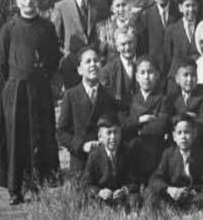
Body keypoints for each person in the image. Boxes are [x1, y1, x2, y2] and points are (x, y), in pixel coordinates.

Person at [0, 0, 61, 205]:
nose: (28, 1)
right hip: (15, 94)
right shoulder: (8, 29)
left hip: (40, 91)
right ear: (17, 1)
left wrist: (41, 79)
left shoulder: (47, 27)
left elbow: (54, 59)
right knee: (16, 140)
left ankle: (39, 186)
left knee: (40, 138)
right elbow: (1, 64)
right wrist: (15, 84)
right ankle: (15, 189)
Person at [57, 46, 118, 175]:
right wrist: (81, 146)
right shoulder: (71, 95)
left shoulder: (108, 95)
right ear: (80, 70)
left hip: (103, 163)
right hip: (80, 163)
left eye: (96, 61)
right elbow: (61, 132)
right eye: (88, 61)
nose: (93, 65)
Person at [52, 0, 102, 88]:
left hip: (94, 68)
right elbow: (53, 40)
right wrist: (65, 59)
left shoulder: (98, 5)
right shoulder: (61, 7)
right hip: (71, 68)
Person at [144, 114, 203, 211]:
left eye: (187, 132)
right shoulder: (168, 153)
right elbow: (156, 177)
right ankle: (169, 209)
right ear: (174, 136)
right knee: (151, 191)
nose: (183, 137)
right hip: (173, 193)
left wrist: (191, 191)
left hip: (192, 194)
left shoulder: (200, 154)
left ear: (194, 134)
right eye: (179, 133)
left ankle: (191, 209)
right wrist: (169, 189)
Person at [123, 56, 169, 184]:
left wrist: (137, 131)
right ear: (137, 77)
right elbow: (124, 124)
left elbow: (161, 125)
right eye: (142, 73)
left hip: (154, 148)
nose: (146, 77)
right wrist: (140, 120)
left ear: (157, 75)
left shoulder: (163, 99)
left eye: (150, 72)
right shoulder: (131, 99)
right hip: (133, 149)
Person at [80, 116, 141, 211]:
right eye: (109, 133)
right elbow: (86, 183)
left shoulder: (127, 152)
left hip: (122, 195)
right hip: (102, 196)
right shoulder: (95, 155)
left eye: (116, 132)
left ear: (121, 134)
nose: (113, 137)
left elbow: (135, 180)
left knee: (135, 199)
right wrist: (99, 192)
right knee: (88, 201)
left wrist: (124, 190)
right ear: (100, 137)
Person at [161, 59, 203, 152]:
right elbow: (168, 119)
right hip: (176, 141)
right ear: (177, 79)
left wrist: (181, 118)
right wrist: (187, 116)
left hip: (197, 140)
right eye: (185, 75)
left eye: (193, 75)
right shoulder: (172, 97)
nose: (189, 79)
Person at [136, 0, 178, 79]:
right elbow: (143, 45)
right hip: (154, 68)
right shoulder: (146, 15)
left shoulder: (177, 12)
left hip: (174, 67)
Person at [163, 0, 200, 82]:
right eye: (187, 6)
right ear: (180, 8)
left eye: (194, 5)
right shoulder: (172, 30)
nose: (191, 9)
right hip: (176, 79)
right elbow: (168, 58)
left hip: (198, 78)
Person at [100, 26, 138, 111]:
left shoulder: (144, 65)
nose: (127, 48)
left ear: (136, 43)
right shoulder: (107, 71)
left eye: (130, 43)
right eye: (123, 44)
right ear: (117, 47)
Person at [95, 0, 133, 65]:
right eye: (118, 6)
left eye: (124, 5)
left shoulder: (136, 26)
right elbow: (101, 53)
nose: (121, 9)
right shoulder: (104, 29)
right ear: (112, 9)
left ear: (129, 6)